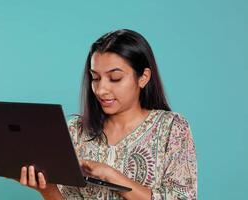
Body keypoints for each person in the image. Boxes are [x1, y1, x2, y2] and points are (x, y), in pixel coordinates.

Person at [14, 29, 197, 200]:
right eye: (95, 78)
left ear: (143, 77)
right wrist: (47, 189)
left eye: (115, 78)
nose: (101, 90)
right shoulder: (75, 131)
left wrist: (113, 177)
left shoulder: (172, 128)